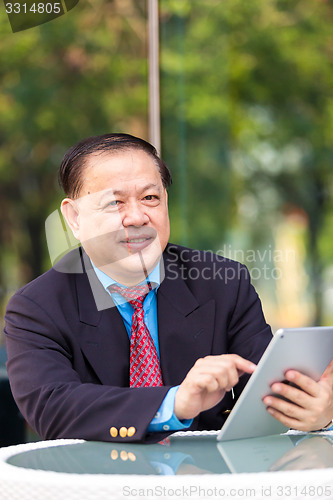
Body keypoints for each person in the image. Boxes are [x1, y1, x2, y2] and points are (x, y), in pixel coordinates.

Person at [4, 134, 333, 443]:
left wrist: (316, 410)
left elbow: (267, 391)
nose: (136, 217)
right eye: (114, 203)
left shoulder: (223, 282)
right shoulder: (37, 307)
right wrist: (174, 403)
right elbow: (53, 407)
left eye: (150, 198)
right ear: (74, 218)